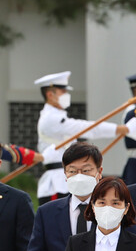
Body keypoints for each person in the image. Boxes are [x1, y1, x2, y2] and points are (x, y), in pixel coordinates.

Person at [34, 71, 130, 204]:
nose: (66, 95)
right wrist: (119, 129)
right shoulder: (51, 118)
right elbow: (86, 129)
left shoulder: (57, 115)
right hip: (57, 184)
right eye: (63, 91)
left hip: (69, 180)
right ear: (50, 94)